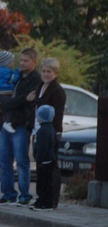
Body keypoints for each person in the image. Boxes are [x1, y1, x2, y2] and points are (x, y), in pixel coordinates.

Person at [0, 48, 41, 206]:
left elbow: (25, 100)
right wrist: (2, 103)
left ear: (34, 62)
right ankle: (8, 194)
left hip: (21, 123)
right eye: (20, 60)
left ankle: (25, 195)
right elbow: (0, 92)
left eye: (26, 61)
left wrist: (4, 104)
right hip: (6, 122)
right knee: (4, 160)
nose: (22, 63)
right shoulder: (16, 74)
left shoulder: (35, 79)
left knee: (21, 160)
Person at [31, 57, 66, 209]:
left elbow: (57, 114)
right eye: (44, 71)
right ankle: (41, 197)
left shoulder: (57, 91)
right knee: (40, 167)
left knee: (50, 168)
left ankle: (50, 200)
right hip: (37, 130)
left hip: (49, 132)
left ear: (55, 73)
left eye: (49, 72)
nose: (45, 74)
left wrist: (52, 132)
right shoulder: (40, 87)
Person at [31, 105, 57, 212]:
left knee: (44, 183)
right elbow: (56, 144)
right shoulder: (51, 129)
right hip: (49, 160)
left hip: (44, 161)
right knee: (45, 182)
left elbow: (42, 147)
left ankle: (46, 203)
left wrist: (39, 159)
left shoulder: (42, 131)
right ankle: (41, 200)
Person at [0, 50, 20, 134]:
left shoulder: (0, 71)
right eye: (11, 62)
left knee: (1, 112)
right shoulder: (6, 71)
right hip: (4, 93)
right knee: (9, 107)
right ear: (7, 63)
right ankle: (7, 122)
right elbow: (12, 79)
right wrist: (18, 72)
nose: (12, 64)